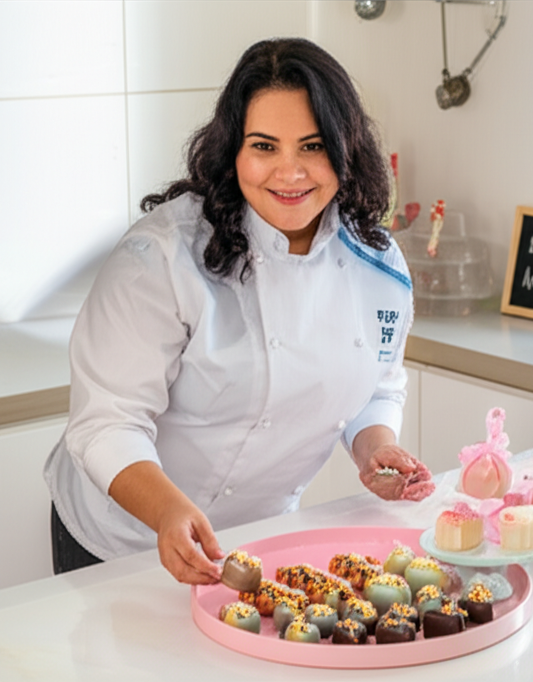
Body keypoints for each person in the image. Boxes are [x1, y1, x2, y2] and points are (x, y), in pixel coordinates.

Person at [44, 37, 434, 585]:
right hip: (122, 538)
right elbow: (107, 421)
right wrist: (167, 511)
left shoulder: (378, 263)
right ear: (233, 150)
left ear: (345, 148)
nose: (290, 172)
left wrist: (377, 447)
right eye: (264, 146)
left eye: (313, 146)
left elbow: (376, 385)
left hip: (258, 538)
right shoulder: (162, 256)